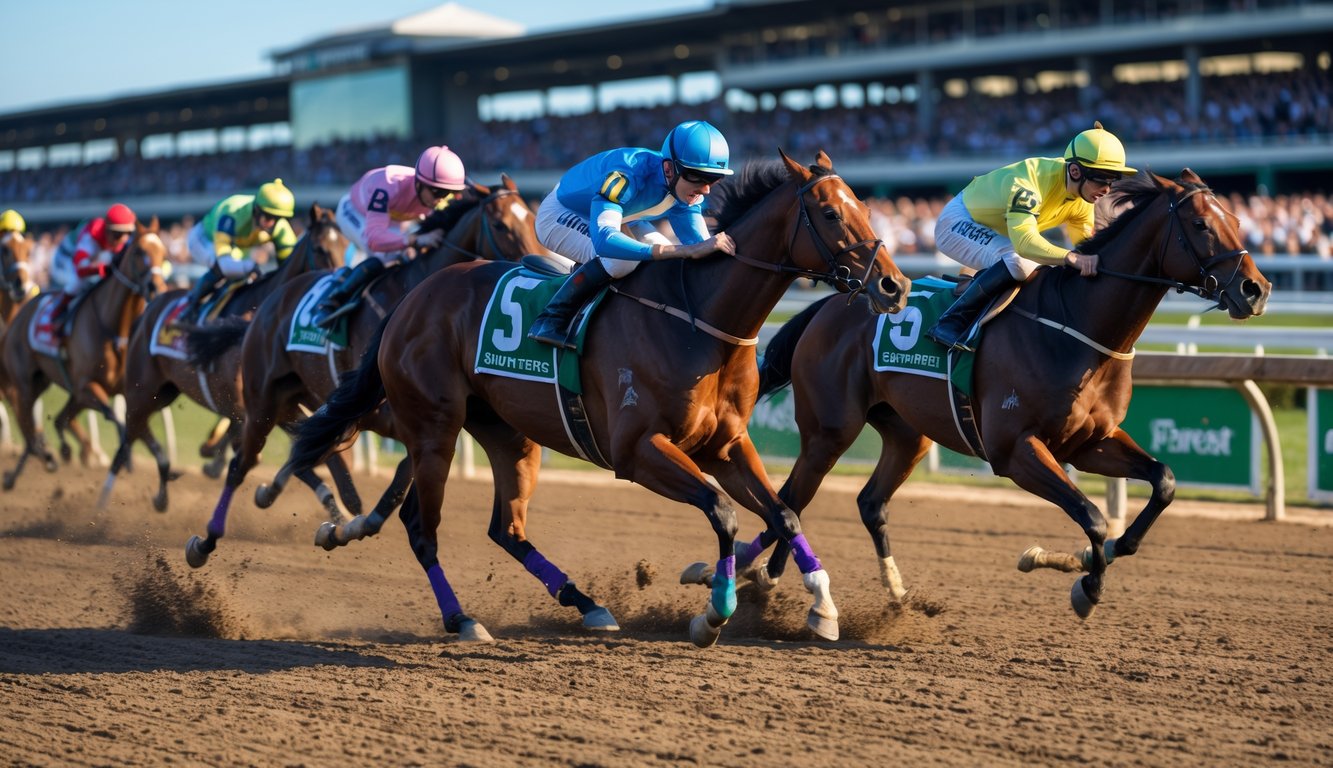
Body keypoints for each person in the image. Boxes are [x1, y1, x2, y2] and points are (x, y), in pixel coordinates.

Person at [925, 121, 1136, 352]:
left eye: (1113, 180)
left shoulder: (1082, 199)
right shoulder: (1028, 183)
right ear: (1075, 171)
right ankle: (951, 322)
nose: (1107, 189)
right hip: (958, 223)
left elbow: (1085, 248)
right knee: (1020, 262)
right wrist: (1069, 257)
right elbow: (1024, 243)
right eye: (1101, 179)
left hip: (996, 232)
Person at [526, 120, 738, 348]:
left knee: (665, 264)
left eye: (714, 178)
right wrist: (675, 250)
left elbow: (699, 246)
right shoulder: (626, 174)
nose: (705, 188)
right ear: (669, 168)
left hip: (623, 216)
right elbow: (605, 241)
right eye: (697, 176)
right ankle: (551, 318)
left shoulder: (686, 191)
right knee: (621, 262)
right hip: (560, 213)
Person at [310, 146, 464, 327]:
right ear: (420, 182)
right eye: (437, 192)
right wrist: (413, 240)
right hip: (354, 212)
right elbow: (375, 239)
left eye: (446, 193)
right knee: (384, 256)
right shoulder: (388, 186)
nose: (440, 199)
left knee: (407, 256)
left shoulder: (435, 196)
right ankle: (334, 300)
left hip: (392, 219)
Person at [180, 179, 297, 320]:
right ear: (257, 209)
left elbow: (291, 267)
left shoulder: (281, 228)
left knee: (245, 276)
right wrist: (250, 266)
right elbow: (225, 264)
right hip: (204, 239)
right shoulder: (233, 212)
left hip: (236, 246)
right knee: (222, 269)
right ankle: (190, 307)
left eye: (276, 218)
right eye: (267, 216)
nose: (271, 223)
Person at [55, 203, 137, 328]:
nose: (124, 239)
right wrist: (102, 269)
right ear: (107, 231)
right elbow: (80, 269)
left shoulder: (124, 240)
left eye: (128, 233)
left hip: (93, 257)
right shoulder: (91, 237)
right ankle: (56, 315)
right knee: (77, 283)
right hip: (65, 258)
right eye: (118, 234)